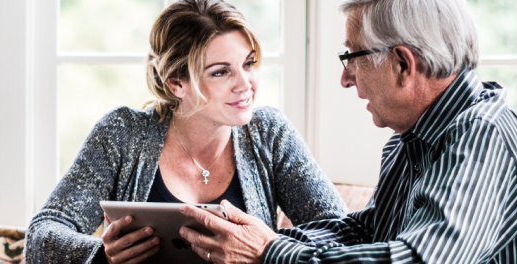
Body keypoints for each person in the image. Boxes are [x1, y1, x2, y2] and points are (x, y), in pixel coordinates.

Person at [174, 0, 517, 263]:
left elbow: (415, 261)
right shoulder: (413, 140)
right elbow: (368, 230)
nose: (345, 79)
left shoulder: (484, 138)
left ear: (403, 64)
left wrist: (271, 252)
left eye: (352, 57)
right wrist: (259, 235)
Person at [25, 0, 348, 263]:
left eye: (249, 64)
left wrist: (267, 249)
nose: (245, 84)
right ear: (176, 82)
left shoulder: (270, 135)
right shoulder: (121, 134)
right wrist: (100, 255)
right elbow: (41, 235)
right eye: (221, 72)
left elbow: (343, 234)